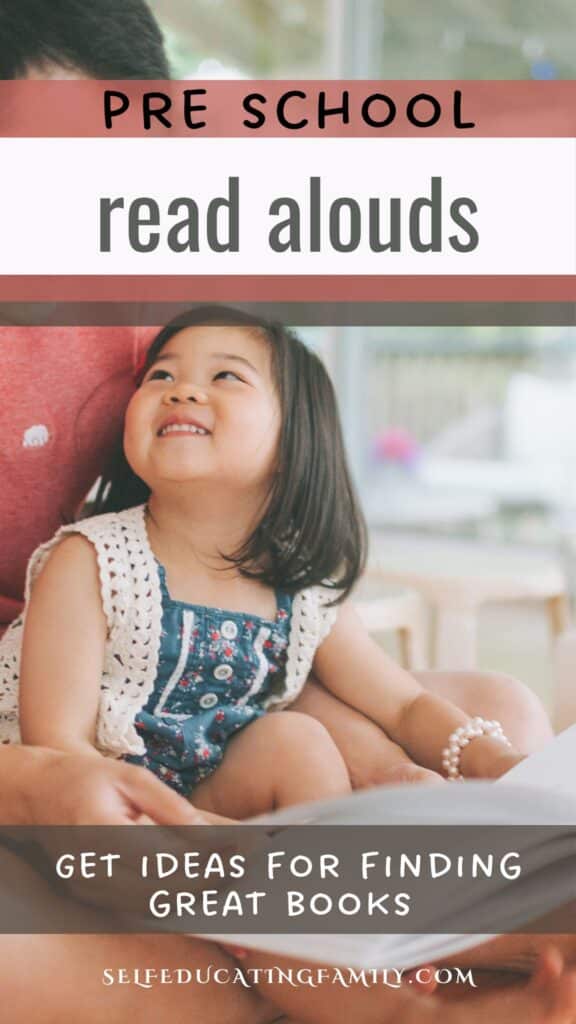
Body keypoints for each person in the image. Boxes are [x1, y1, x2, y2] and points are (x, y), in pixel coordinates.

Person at [1, 307, 528, 824]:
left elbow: (405, 705)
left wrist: (497, 763)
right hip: (87, 792)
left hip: (202, 783)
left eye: (225, 375)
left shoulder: (301, 587)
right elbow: (59, 749)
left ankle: (307, 889)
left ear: (292, 439)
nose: (181, 390)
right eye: (161, 374)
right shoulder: (91, 563)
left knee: (297, 743)